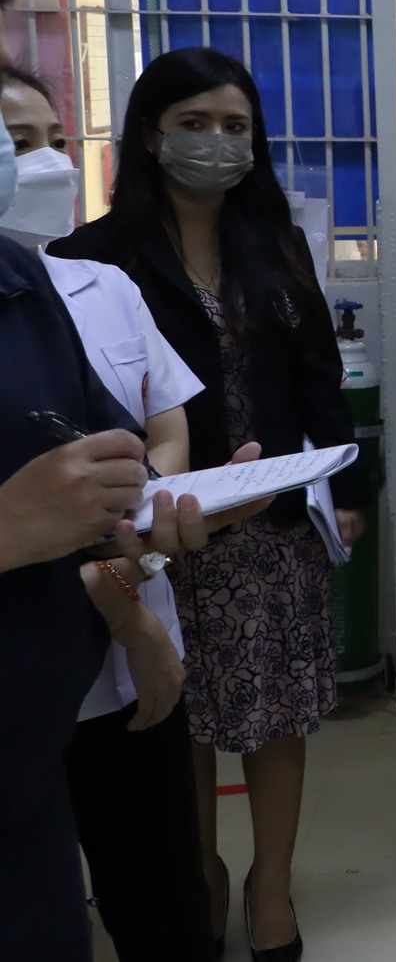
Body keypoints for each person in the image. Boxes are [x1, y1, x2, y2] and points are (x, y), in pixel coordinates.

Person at [51, 47, 369, 962]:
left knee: (275, 713)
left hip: (270, 522)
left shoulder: (276, 241)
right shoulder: (93, 258)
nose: (218, 142)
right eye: (195, 124)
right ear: (152, 135)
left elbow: (318, 374)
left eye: (236, 127)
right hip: (154, 531)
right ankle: (200, 874)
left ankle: (272, 885)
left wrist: (345, 488)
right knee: (180, 717)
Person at [3, 66, 218, 962]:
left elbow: (128, 456)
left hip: (80, 671)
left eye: (48, 139)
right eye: (19, 141)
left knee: (152, 900)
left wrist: (141, 571)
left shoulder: (35, 286)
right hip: (44, 676)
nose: (41, 163)